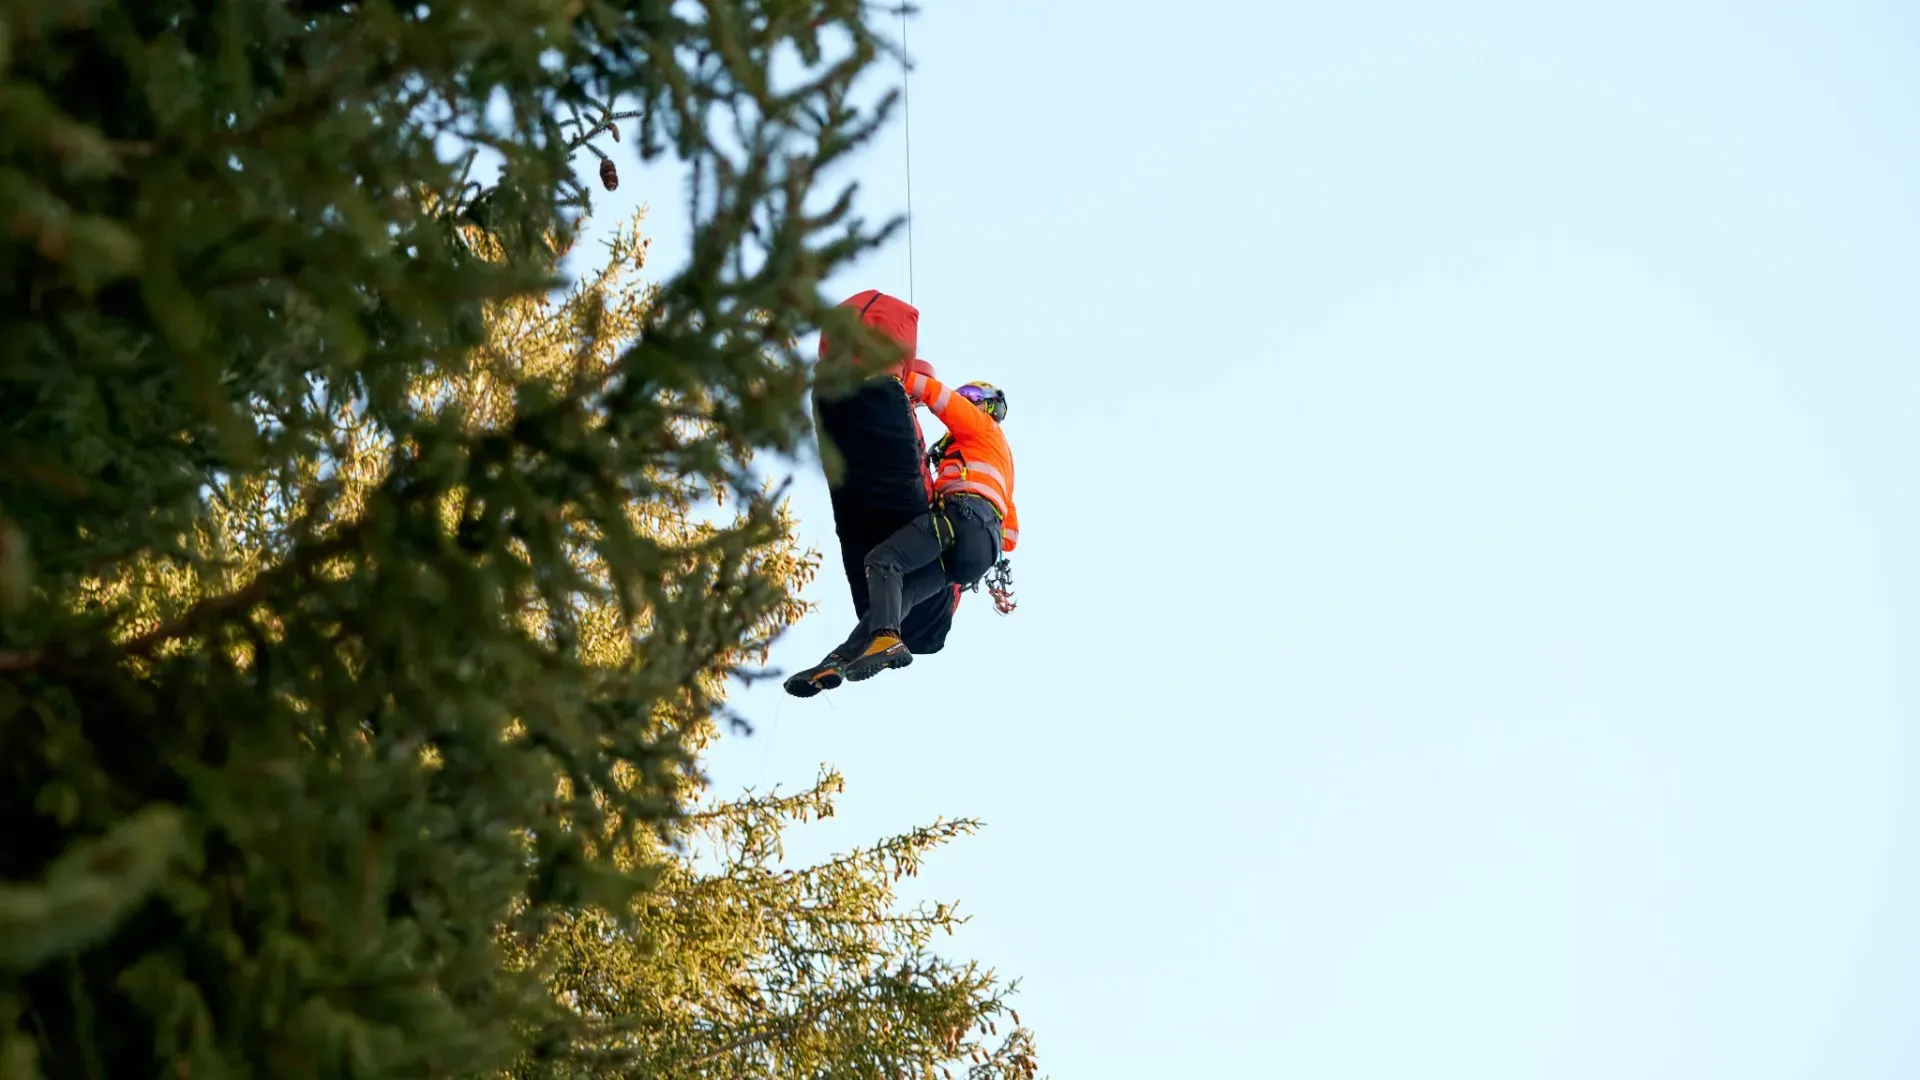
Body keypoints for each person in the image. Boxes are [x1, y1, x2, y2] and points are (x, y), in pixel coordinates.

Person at [785, 373, 1019, 695]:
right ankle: (838, 660)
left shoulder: (981, 426)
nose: (964, 399)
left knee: (883, 560)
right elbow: (1011, 538)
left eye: (970, 395)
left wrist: (899, 376)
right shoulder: (1002, 464)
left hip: (962, 520)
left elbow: (940, 396)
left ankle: (887, 640)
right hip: (978, 554)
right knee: (903, 596)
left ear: (984, 404)